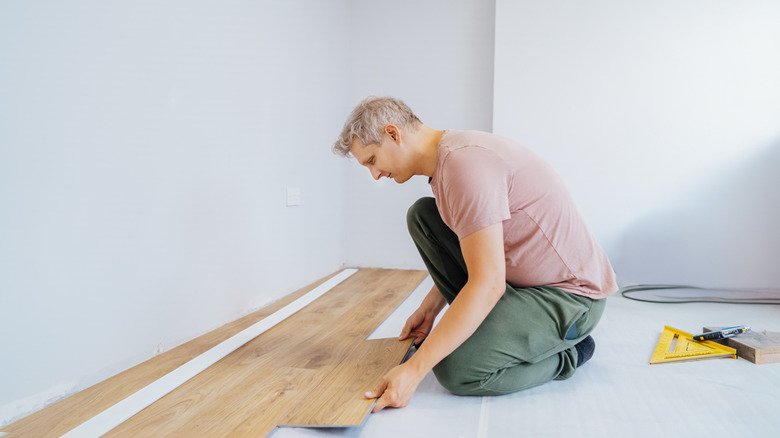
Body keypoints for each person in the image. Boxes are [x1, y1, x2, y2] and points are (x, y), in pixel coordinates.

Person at [332, 96, 618, 413]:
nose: (374, 174)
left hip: (571, 299)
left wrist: (414, 371)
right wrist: (430, 309)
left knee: (456, 369)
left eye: (372, 160)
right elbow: (477, 253)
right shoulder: (447, 162)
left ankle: (571, 353)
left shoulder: (464, 166)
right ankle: (491, 327)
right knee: (422, 216)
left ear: (393, 134)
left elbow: (488, 282)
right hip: (522, 286)